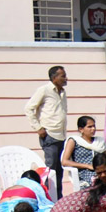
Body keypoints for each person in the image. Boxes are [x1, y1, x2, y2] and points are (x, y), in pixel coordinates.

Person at [25, 66, 68, 198]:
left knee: (59, 170)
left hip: (61, 135)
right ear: (54, 78)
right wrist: (38, 128)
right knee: (50, 170)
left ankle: (58, 198)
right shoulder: (44, 90)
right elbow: (29, 108)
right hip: (50, 135)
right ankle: (47, 197)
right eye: (62, 76)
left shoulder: (62, 92)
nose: (65, 78)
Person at [61, 116, 106, 189]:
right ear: (81, 129)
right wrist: (87, 166)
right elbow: (65, 162)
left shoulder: (99, 141)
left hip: (103, 170)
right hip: (85, 172)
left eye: (94, 126)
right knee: (98, 181)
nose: (93, 129)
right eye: (90, 127)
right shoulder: (74, 141)